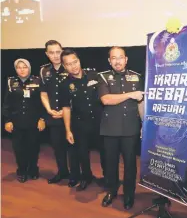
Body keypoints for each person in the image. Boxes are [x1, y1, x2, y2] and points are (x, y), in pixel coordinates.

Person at [98, 46, 144, 209]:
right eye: (114, 58)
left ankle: (129, 195)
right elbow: (106, 99)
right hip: (110, 128)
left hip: (130, 128)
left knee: (130, 164)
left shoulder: (137, 77)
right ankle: (111, 191)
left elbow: (140, 103)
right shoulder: (103, 77)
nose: (117, 61)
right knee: (110, 163)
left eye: (120, 57)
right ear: (109, 61)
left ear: (126, 59)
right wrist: (130, 95)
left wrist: (144, 124)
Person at [59, 49, 106, 191]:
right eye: (68, 64)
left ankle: (107, 177)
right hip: (80, 123)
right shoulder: (64, 84)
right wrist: (68, 130)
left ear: (79, 60)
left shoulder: (95, 76)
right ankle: (86, 177)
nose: (73, 66)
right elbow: (66, 108)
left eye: (75, 62)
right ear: (64, 66)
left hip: (100, 122)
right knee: (82, 153)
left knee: (105, 152)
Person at [3, 58, 46, 182]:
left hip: (34, 122)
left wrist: (42, 118)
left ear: (29, 68)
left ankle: (33, 169)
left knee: (33, 147)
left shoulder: (37, 81)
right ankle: (21, 170)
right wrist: (7, 120)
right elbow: (6, 103)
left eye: (25, 67)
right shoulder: (11, 82)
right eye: (19, 67)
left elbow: (43, 102)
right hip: (16, 123)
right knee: (19, 148)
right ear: (16, 69)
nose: (22, 70)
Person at [40, 40, 71, 185]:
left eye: (58, 52)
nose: (55, 55)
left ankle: (76, 174)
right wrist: (48, 109)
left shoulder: (70, 68)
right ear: (47, 54)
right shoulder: (43, 71)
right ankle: (62, 171)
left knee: (73, 148)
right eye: (51, 52)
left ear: (62, 50)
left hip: (70, 116)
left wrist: (65, 112)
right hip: (53, 116)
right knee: (58, 147)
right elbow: (43, 93)